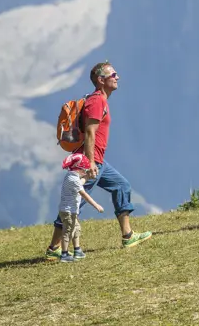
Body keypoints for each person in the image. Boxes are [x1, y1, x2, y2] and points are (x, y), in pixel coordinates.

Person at [45, 61, 151, 260]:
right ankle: (54, 248)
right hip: (90, 162)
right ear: (101, 80)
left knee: (121, 186)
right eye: (113, 75)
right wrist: (90, 162)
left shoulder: (100, 100)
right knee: (74, 204)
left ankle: (128, 236)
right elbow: (90, 133)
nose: (117, 77)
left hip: (98, 161)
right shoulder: (96, 102)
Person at [56, 152, 105, 262]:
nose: (85, 172)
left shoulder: (72, 176)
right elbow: (84, 194)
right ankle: (64, 254)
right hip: (67, 211)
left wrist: (88, 177)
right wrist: (96, 205)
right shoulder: (72, 179)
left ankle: (77, 250)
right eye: (85, 170)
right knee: (68, 231)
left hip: (72, 210)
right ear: (79, 168)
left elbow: (80, 182)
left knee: (76, 228)